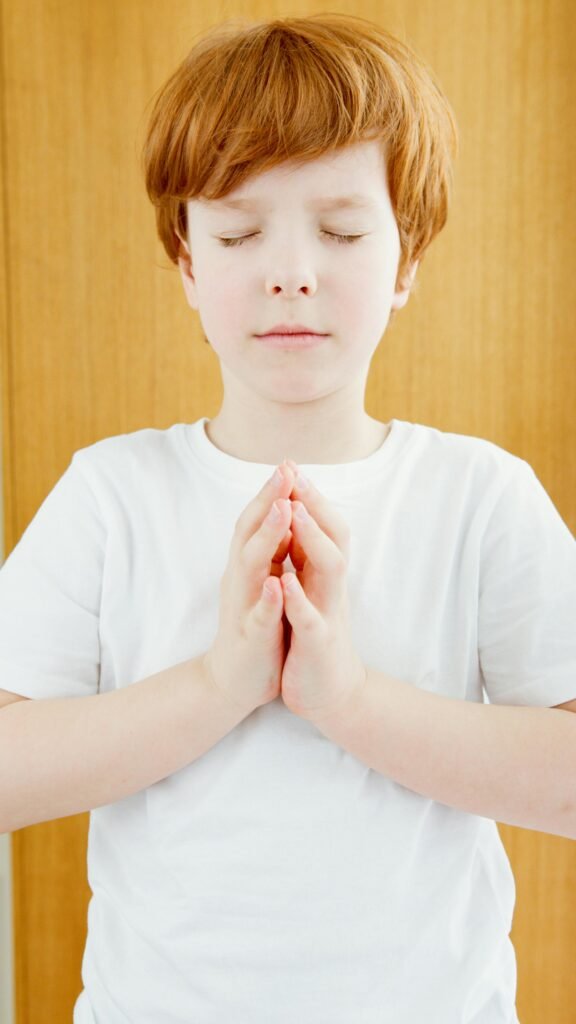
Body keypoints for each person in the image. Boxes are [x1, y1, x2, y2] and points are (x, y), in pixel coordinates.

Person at [0, 13, 575, 1023]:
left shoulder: (481, 497)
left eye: (344, 231)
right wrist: (219, 683)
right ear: (186, 258)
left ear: (407, 261)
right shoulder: (109, 495)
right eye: (237, 231)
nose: (292, 271)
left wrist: (349, 700)